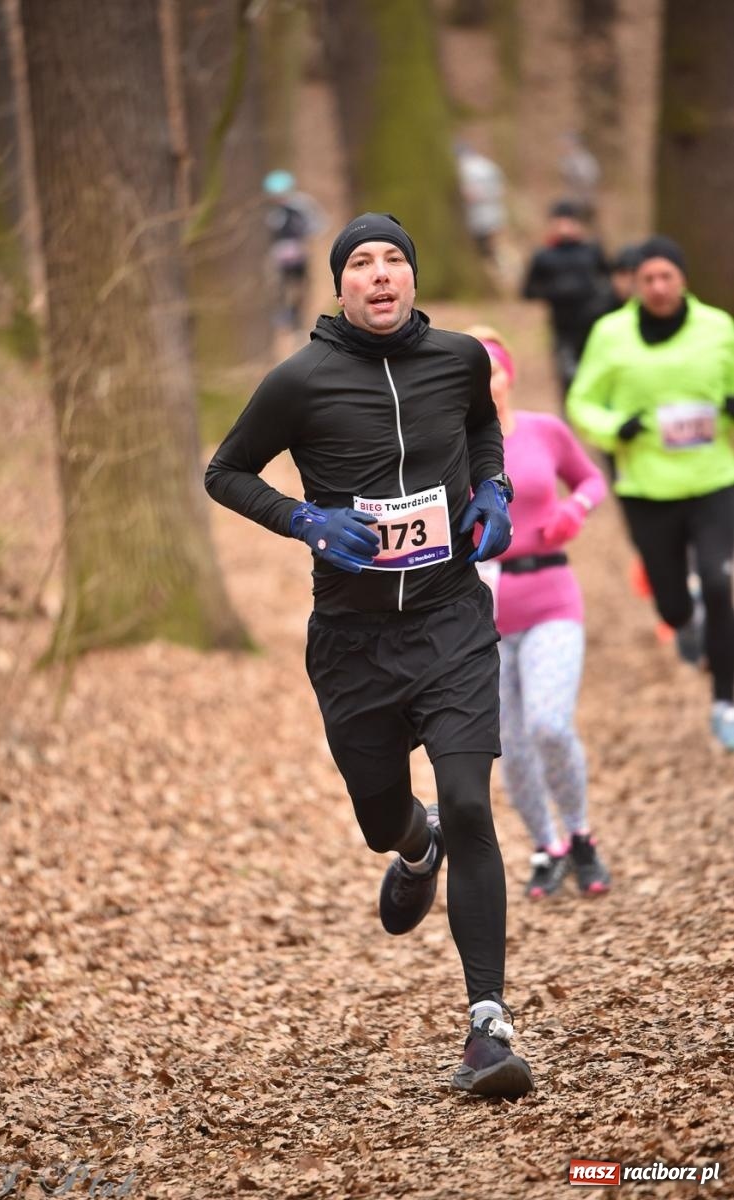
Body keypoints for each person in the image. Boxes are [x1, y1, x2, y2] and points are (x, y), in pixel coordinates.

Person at [205, 212, 535, 1099]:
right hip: (352, 644)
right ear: (339, 285)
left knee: (471, 803)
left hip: (450, 621)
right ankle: (411, 844)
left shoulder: (459, 358)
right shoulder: (300, 380)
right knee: (383, 815)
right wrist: (305, 519)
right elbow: (225, 472)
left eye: (395, 259)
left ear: (413, 278)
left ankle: (487, 1025)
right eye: (361, 263)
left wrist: (494, 488)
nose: (380, 274)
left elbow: (481, 430)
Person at [566, 235, 734, 751]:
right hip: (646, 488)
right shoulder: (611, 335)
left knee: (720, 577)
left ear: (683, 279)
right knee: (671, 604)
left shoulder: (719, 328)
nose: (659, 287)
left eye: (667, 276)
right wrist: (619, 427)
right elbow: (582, 402)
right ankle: (685, 620)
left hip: (713, 480)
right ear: (634, 286)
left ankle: (725, 700)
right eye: (648, 279)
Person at [466, 326, 611, 899]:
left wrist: (575, 508)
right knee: (512, 745)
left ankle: (581, 836)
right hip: (484, 613)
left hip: (550, 595)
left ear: (509, 375)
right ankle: (546, 847)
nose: (485, 382)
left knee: (549, 725)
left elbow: (592, 478)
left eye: (492, 370)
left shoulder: (544, 432)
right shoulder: (449, 447)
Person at [521, 199, 609, 403]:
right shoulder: (544, 256)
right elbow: (528, 290)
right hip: (562, 326)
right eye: (560, 221)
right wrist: (555, 290)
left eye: (569, 221)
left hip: (593, 322)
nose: (565, 227)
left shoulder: (592, 251)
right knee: (566, 374)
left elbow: (609, 278)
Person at [262, 169, 328, 336]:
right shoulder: (270, 211)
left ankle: (299, 324)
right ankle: (287, 321)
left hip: (299, 256)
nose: (279, 199)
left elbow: (319, 224)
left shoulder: (301, 205)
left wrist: (304, 239)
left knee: (300, 290)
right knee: (281, 291)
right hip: (279, 259)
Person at [455, 141, 507, 266]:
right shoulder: (488, 165)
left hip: (477, 215)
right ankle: (495, 265)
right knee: (491, 245)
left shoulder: (465, 168)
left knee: (482, 247)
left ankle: (491, 266)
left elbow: (470, 194)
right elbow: (501, 188)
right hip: (494, 212)